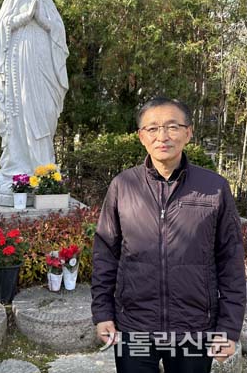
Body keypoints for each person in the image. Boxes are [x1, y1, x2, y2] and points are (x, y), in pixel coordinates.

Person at [91, 97, 246, 373]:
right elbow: (106, 254)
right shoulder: (123, 186)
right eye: (152, 128)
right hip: (135, 327)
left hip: (194, 329)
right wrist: (102, 313)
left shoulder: (214, 188)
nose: (162, 136)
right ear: (141, 136)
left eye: (172, 126)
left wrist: (229, 328)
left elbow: (231, 262)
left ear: (188, 132)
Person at [0, 0, 69, 195]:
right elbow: (1, 30)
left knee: (45, 112)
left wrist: (42, 19)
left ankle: (45, 172)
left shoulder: (46, 3)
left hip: (43, 63)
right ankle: (20, 171)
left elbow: (58, 32)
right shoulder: (11, 1)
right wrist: (24, 17)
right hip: (20, 65)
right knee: (22, 108)